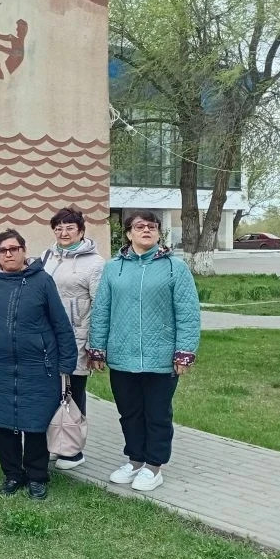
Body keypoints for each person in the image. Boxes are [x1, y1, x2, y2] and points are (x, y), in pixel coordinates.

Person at [88, 210, 200, 492]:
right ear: (129, 233)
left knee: (157, 414)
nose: (146, 230)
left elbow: (187, 313)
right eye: (140, 226)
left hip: (160, 357)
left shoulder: (175, 268)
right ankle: (135, 460)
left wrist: (184, 351)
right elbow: (102, 310)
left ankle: (154, 466)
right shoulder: (113, 268)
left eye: (152, 226)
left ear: (159, 232)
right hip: (122, 355)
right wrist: (97, 348)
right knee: (130, 413)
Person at [0, 229, 77, 500]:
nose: (9, 254)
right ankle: (12, 474)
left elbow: (60, 323)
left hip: (38, 367)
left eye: (14, 249)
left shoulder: (42, 281)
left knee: (35, 423)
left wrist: (67, 362)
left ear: (24, 251)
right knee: (3, 423)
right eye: (3, 250)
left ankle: (36, 476)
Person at [41, 207, 105, 470]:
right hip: (48, 337)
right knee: (51, 392)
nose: (63, 233)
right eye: (58, 228)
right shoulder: (47, 256)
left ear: (81, 230)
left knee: (73, 393)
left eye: (69, 228)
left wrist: (95, 345)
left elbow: (100, 305)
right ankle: (56, 444)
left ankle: (74, 451)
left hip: (76, 336)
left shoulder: (95, 263)